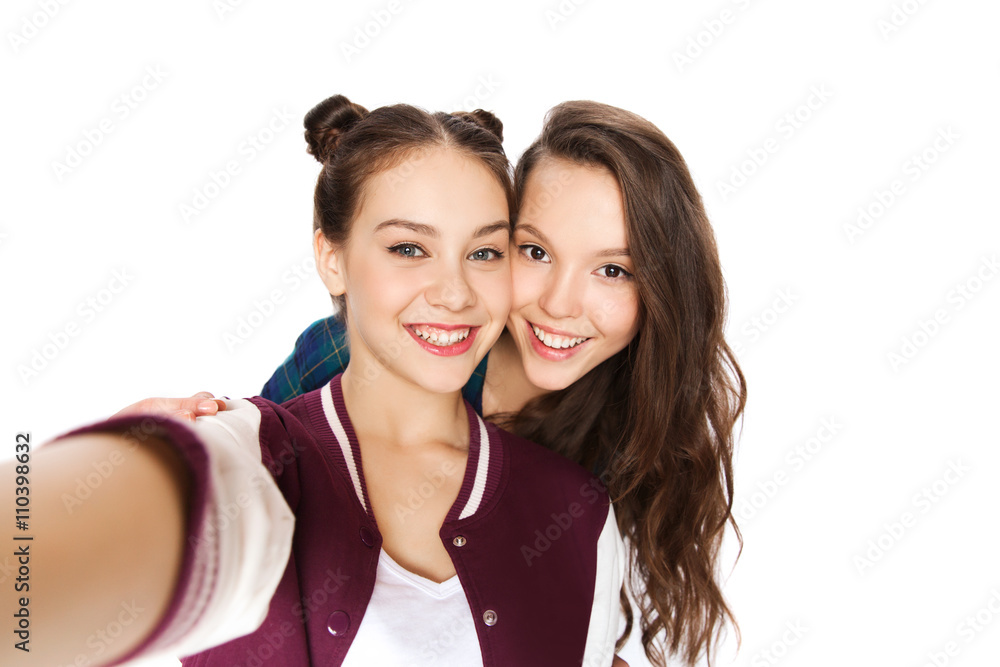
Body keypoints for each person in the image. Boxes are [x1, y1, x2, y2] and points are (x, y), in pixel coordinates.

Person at [4, 96, 624, 667]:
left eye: (484, 253)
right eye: (409, 248)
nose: (455, 292)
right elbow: (43, 557)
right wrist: (124, 470)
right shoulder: (250, 452)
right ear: (332, 258)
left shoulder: (579, 510)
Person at [142, 100, 747, 666]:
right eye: (534, 252)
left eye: (612, 269)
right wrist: (177, 453)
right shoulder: (367, 349)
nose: (561, 304)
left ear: (663, 290)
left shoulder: (632, 429)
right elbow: (263, 476)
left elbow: (555, 620)